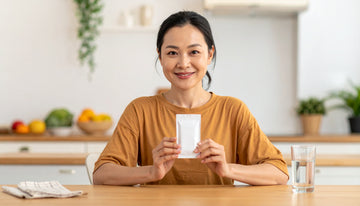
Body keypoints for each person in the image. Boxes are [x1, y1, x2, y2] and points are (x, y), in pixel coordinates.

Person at [93, 11, 289, 185]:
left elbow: (279, 172)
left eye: (194, 52)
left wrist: (228, 169)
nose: (183, 63)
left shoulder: (232, 109)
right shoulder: (140, 110)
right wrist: (151, 172)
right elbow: (101, 174)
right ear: (160, 57)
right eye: (172, 53)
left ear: (210, 54)